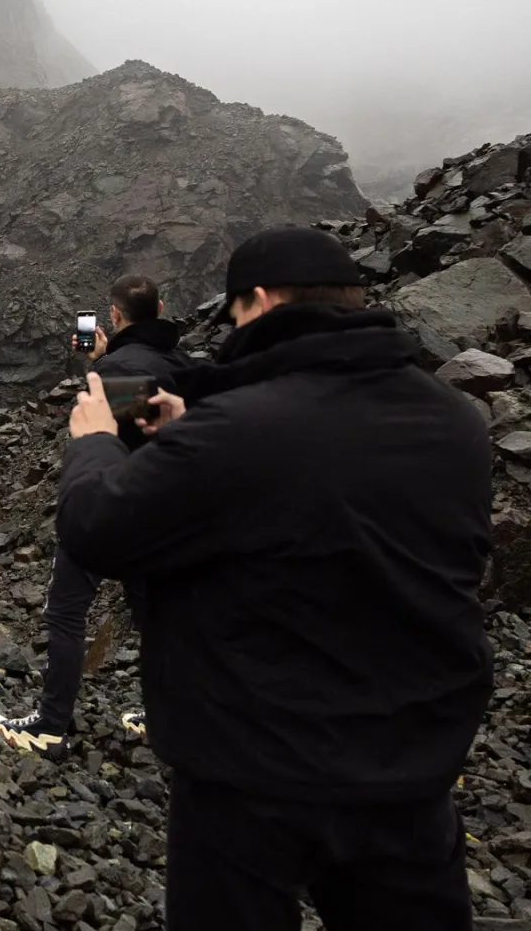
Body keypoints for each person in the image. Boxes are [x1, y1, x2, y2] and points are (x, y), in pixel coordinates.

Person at [58, 226, 492, 930]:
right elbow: (322, 502)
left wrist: (97, 445)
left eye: (233, 315)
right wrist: (194, 434)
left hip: (252, 776)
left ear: (257, 300)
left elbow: (98, 527)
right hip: (412, 771)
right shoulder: (453, 419)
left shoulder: (242, 427)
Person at [0, 275, 189, 754]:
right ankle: (166, 719)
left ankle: (52, 723)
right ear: (160, 309)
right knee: (156, 620)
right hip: (162, 518)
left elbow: (115, 428)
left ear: (115, 317)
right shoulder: (184, 366)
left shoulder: (118, 368)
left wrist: (102, 366)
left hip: (108, 508)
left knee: (66, 613)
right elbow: (150, 420)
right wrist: (103, 361)